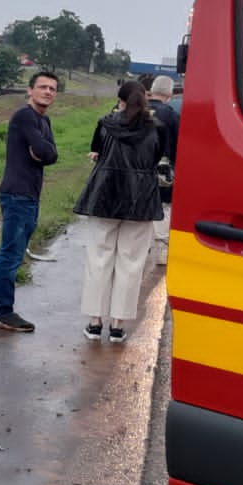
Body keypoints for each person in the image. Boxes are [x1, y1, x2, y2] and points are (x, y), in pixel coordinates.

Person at [75, 80, 165, 344]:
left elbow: (97, 152)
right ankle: (118, 326)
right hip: (140, 198)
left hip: (104, 195)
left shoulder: (105, 123)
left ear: (120, 100)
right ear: (145, 99)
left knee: (99, 258)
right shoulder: (158, 129)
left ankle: (94, 323)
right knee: (131, 262)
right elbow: (156, 159)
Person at [0, 71, 60, 333]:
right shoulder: (25, 116)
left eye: (52, 89)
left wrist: (43, 151)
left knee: (7, 253)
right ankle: (2, 310)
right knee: (11, 255)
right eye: (43, 87)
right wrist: (42, 151)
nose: (48, 92)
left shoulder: (43, 121)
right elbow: (45, 151)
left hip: (28, 194)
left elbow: (51, 155)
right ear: (29, 90)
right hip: (17, 194)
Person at [145, 76, 181, 265]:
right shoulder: (172, 116)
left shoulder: (137, 110)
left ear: (151, 90)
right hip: (163, 170)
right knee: (164, 208)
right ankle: (161, 249)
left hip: (136, 170)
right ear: (170, 94)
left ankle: (142, 247)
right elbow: (178, 145)